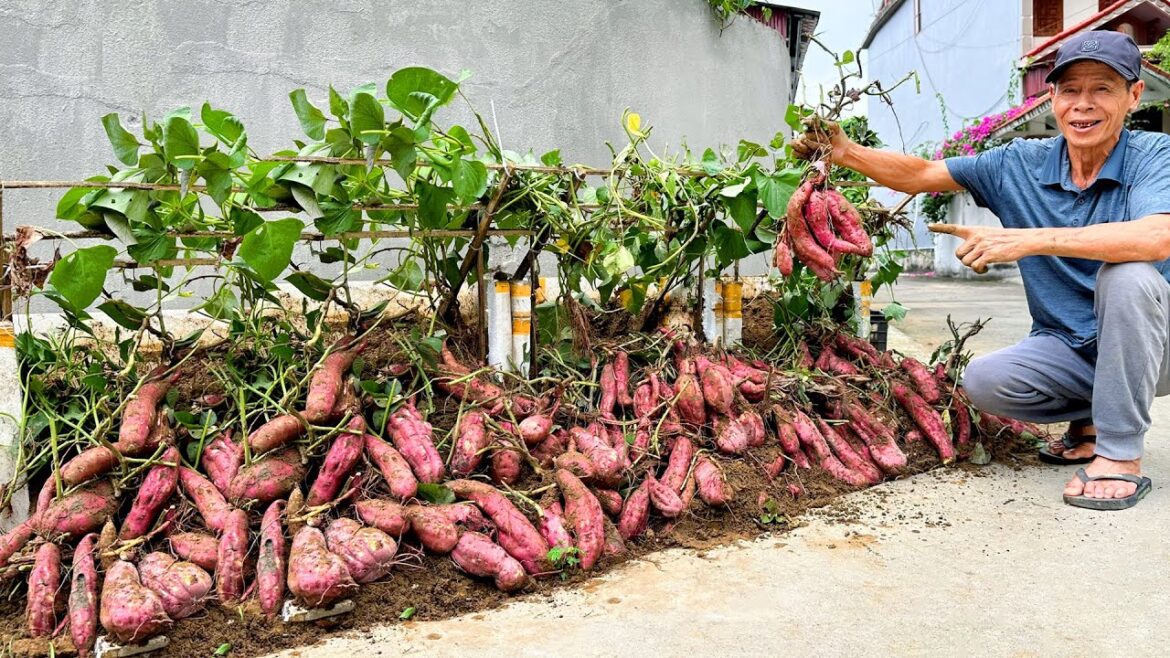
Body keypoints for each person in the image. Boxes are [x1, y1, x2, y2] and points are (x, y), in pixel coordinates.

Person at [792, 30, 1170, 510]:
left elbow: (1157, 238)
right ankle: (1093, 424)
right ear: (1051, 96)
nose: (1084, 104)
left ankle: (1119, 455)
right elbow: (921, 174)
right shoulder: (1019, 162)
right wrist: (846, 151)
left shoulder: (1155, 154)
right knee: (985, 382)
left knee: (1129, 275)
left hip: (1159, 347)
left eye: (1102, 89)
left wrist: (1026, 241)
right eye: (1070, 90)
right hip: (1071, 346)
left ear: (1134, 95)